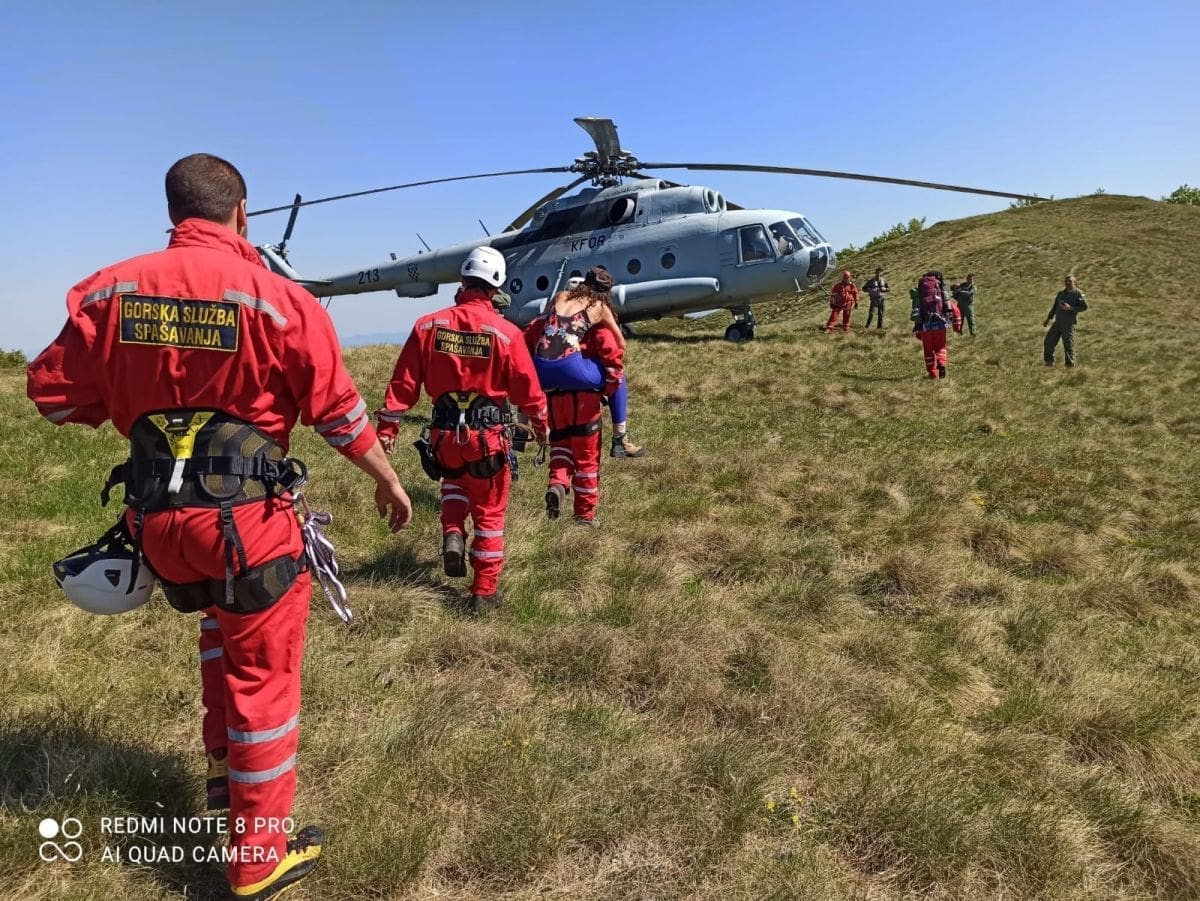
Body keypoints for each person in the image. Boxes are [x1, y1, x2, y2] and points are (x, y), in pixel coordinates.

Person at [27, 153, 412, 900]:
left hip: (158, 524)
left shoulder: (107, 292)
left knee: (216, 635)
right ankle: (257, 858)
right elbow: (337, 412)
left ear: (174, 211)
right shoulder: (279, 300)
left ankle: (221, 784)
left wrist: (134, 406)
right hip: (248, 526)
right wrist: (387, 479)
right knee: (262, 678)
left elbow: (54, 397)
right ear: (242, 213)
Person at [377, 246, 548, 611]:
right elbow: (529, 391)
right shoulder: (506, 333)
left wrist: (388, 429)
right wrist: (541, 427)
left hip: (443, 437)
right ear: (496, 286)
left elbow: (403, 384)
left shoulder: (427, 326)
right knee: (490, 513)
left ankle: (453, 533)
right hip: (487, 440)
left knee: (453, 483)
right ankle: (484, 593)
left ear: (462, 280)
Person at [525, 267, 625, 526]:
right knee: (587, 459)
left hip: (549, 387)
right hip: (581, 392)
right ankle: (584, 516)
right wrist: (610, 386)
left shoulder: (558, 299)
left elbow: (538, 329)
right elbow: (617, 347)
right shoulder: (599, 311)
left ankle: (557, 484)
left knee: (561, 446)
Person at [548, 273, 644, 458]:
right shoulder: (597, 311)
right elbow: (614, 347)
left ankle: (521, 431)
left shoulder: (557, 307)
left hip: (547, 374)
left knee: (561, 451)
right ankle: (620, 438)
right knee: (619, 377)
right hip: (578, 372)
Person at [911, 269, 962, 378]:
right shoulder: (940, 291)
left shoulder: (920, 291)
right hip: (940, 324)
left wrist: (918, 331)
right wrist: (957, 326)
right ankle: (941, 363)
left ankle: (933, 373)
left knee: (928, 351)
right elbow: (955, 310)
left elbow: (916, 311)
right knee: (941, 347)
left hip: (925, 327)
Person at [1043, 274, 1088, 367]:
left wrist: (1071, 308)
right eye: (1066, 281)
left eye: (1070, 281)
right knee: (1048, 341)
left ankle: (1069, 364)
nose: (1067, 283)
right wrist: (1048, 318)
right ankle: (1049, 362)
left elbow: (1084, 307)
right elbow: (1055, 307)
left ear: (1075, 282)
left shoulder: (1078, 293)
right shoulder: (1061, 293)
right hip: (1058, 322)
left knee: (1068, 344)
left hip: (1068, 323)